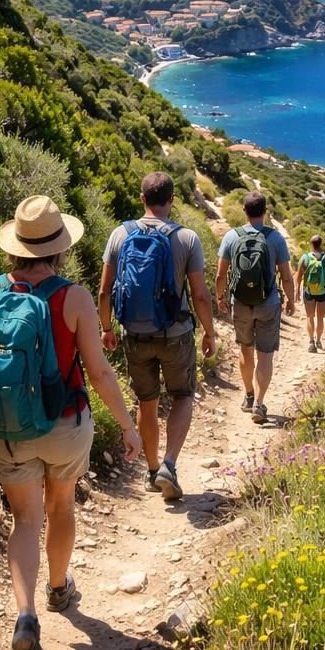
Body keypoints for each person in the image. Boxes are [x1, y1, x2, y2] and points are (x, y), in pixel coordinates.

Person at [0, 195, 143, 650]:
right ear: (60, 248)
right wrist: (128, 426)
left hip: (7, 427)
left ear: (15, 246)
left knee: (24, 521)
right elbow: (98, 373)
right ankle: (58, 588)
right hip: (64, 424)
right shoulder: (72, 297)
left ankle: (25, 616)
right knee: (61, 506)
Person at [97, 171, 216, 503]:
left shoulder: (119, 235)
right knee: (182, 396)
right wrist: (209, 331)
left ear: (141, 198)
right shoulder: (187, 238)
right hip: (176, 334)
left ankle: (151, 470)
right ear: (172, 200)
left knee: (145, 402)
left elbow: (105, 290)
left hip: (134, 334)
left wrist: (106, 328)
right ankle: (169, 464)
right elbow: (200, 295)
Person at [216, 191, 294, 424]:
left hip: (240, 303)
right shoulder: (276, 238)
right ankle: (260, 403)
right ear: (265, 212)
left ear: (244, 211)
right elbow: (286, 276)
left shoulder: (231, 236)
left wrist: (220, 297)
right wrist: (290, 300)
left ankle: (248, 396)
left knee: (245, 349)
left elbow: (221, 274)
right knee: (265, 355)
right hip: (268, 303)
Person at [294, 234, 325, 351]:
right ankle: (318, 340)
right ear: (321, 244)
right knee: (320, 318)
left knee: (309, 317)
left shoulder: (305, 258)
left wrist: (297, 291)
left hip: (308, 291)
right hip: (323, 291)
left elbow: (299, 276)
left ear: (311, 244)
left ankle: (311, 342)